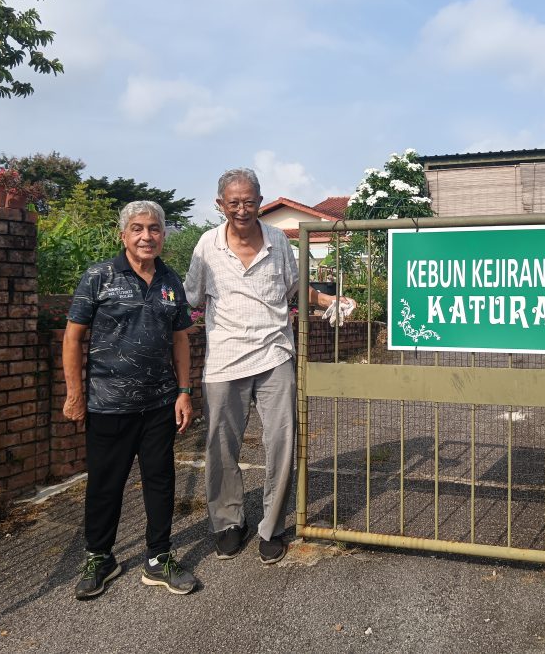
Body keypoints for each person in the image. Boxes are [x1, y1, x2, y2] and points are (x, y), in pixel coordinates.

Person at [184, 168, 354, 565]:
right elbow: (192, 298)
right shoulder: (206, 246)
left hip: (275, 355)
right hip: (224, 362)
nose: (242, 209)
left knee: (281, 443)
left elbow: (298, 289)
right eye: (233, 202)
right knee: (221, 447)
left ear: (260, 202)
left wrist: (332, 302)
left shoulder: (278, 240)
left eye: (249, 201)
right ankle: (228, 523)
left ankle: (272, 527)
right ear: (220, 205)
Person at [64, 201, 198, 600]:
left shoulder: (171, 280)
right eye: (137, 228)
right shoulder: (99, 276)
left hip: (158, 404)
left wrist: (184, 391)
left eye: (154, 229)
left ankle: (159, 558)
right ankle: (100, 557)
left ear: (162, 234)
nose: (146, 236)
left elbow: (181, 340)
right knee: (105, 484)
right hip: (107, 404)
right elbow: (73, 338)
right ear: (123, 234)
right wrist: (74, 394)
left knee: (160, 481)